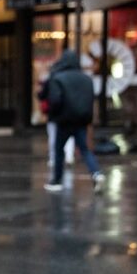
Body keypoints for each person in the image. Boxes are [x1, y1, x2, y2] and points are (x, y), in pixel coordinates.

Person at [39, 49, 104, 193]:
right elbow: (90, 99)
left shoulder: (58, 78)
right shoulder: (86, 79)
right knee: (85, 150)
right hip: (81, 120)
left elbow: (55, 100)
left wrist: (53, 114)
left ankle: (57, 180)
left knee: (58, 149)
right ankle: (96, 173)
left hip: (64, 120)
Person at [37, 75, 74, 168]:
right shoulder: (70, 79)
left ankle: (53, 159)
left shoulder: (50, 80)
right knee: (69, 136)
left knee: (53, 137)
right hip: (68, 113)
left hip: (54, 114)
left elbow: (41, 95)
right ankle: (68, 157)